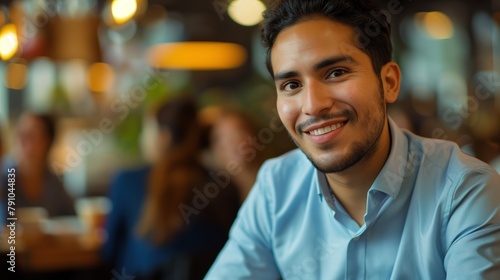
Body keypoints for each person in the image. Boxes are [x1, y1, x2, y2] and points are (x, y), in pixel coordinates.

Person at [205, 0, 500, 279]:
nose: (313, 105)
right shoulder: (276, 188)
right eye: (292, 84)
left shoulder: (464, 191)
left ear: (389, 83)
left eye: (336, 73)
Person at [101, 96, 240, 279]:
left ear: (163, 137)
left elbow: (108, 252)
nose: (144, 138)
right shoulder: (223, 185)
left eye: (147, 130)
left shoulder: (127, 181)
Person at [0, 112, 75, 221]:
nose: (22, 140)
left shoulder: (53, 182)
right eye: (20, 133)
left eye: (31, 135)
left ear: (47, 141)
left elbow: (71, 219)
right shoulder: (5, 177)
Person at [210, 107, 266, 202]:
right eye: (223, 138)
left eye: (240, 131)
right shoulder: (220, 202)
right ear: (217, 149)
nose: (234, 141)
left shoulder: (277, 176)